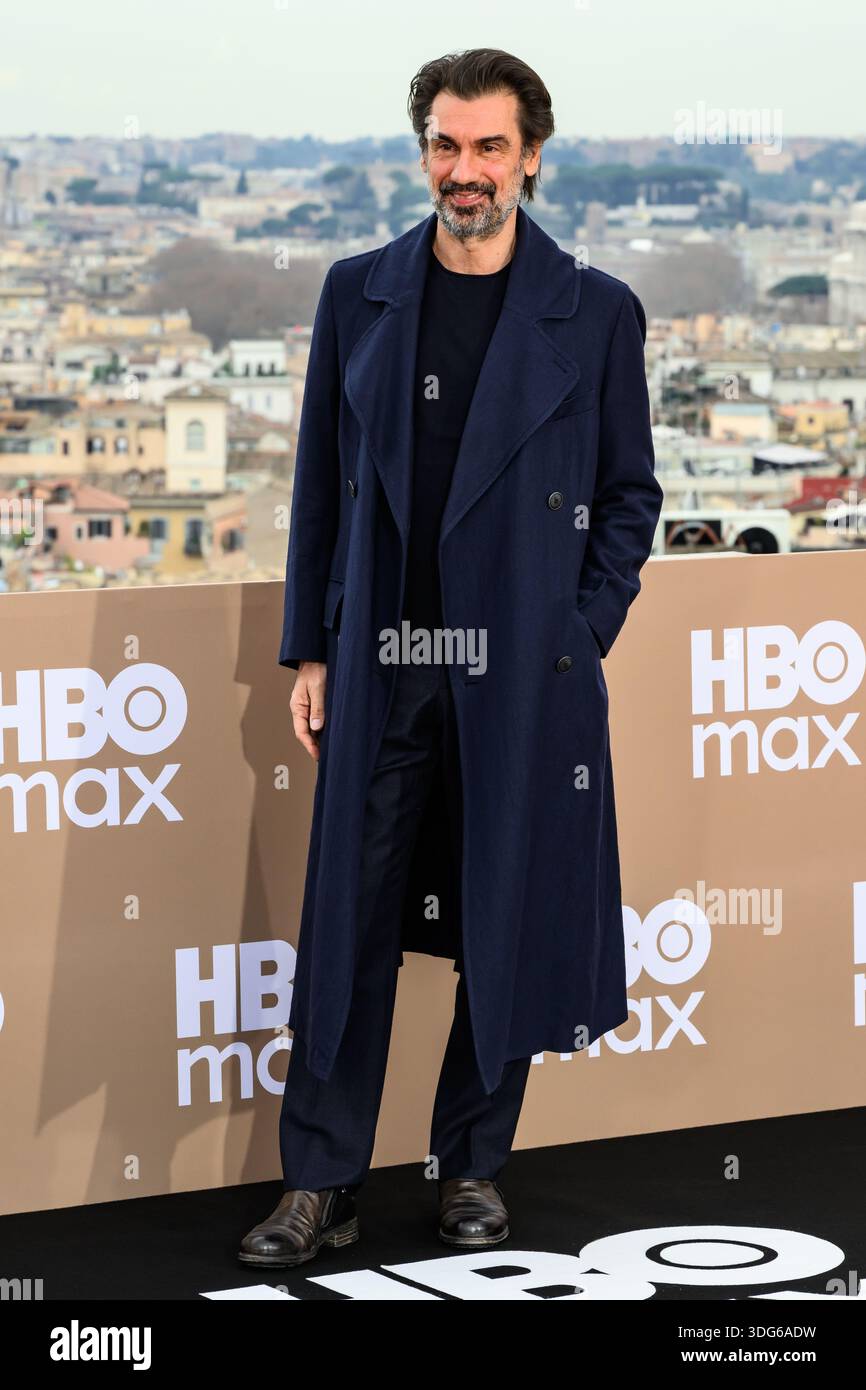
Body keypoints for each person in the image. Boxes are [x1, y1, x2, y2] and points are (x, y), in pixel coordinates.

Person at [239, 47, 663, 1269]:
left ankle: (471, 1167)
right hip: (383, 664)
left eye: (487, 147)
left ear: (530, 154)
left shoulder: (595, 311)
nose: (463, 170)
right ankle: (320, 1182)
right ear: (420, 150)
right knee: (348, 931)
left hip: (522, 673)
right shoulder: (354, 291)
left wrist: (574, 637)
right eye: (443, 143)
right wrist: (309, 651)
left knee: (505, 916)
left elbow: (628, 497)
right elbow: (319, 485)